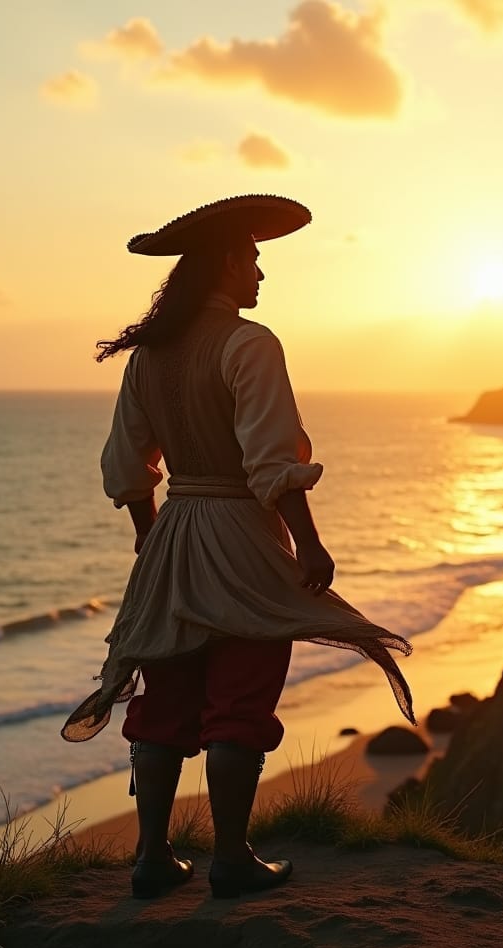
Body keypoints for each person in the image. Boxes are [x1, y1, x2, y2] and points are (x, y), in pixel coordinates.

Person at [61, 194, 414, 899]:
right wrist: (309, 544)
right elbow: (270, 461)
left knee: (164, 700)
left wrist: (148, 539)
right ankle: (229, 857)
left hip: (175, 537)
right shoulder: (250, 343)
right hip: (242, 535)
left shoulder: (150, 356)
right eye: (252, 257)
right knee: (242, 694)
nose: (259, 273)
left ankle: (152, 859)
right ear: (225, 261)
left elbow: (127, 469)